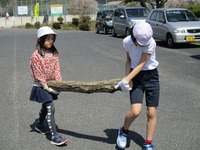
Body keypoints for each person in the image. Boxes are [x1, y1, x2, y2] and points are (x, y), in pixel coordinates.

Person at [115, 22, 160, 150]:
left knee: (151, 112)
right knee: (135, 111)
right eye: (140, 42)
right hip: (136, 77)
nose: (141, 45)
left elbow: (142, 63)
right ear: (133, 37)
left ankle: (148, 143)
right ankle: (123, 131)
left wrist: (127, 79)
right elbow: (129, 60)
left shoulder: (151, 42)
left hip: (152, 77)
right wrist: (126, 78)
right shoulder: (126, 42)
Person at [29, 26, 68, 146]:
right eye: (48, 39)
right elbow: (38, 73)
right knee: (51, 107)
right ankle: (54, 136)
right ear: (40, 39)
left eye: (52, 39)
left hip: (52, 85)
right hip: (41, 86)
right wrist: (45, 86)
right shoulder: (36, 55)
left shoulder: (54, 53)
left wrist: (59, 84)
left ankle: (40, 125)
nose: (50, 41)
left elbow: (57, 69)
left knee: (46, 106)